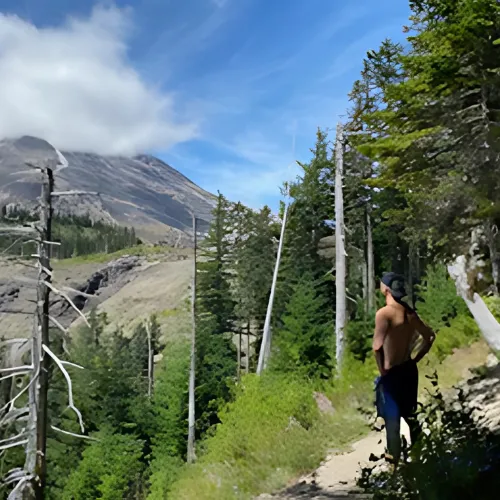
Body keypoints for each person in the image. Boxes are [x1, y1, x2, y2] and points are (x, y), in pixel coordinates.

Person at [373, 272, 435, 468]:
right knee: (411, 415)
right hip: (409, 370)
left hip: (392, 374)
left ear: (387, 289)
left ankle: (394, 465)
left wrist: (382, 370)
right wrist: (416, 358)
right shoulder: (410, 313)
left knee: (393, 422)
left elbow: (377, 347)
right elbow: (429, 337)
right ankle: (419, 456)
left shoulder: (384, 314)